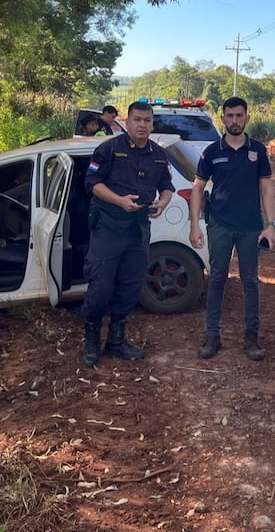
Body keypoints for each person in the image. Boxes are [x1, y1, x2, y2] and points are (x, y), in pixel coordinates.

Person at [80, 101, 175, 367]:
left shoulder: (158, 154)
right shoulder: (108, 148)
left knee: (131, 285)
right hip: (108, 226)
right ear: (127, 121)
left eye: (147, 120)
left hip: (138, 229)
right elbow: (92, 184)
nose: (142, 125)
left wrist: (164, 201)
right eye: (137, 120)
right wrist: (119, 200)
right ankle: (91, 342)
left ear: (152, 124)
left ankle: (116, 341)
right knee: (100, 286)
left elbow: (167, 186)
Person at [189, 97, 275, 361]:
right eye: (230, 116)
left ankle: (251, 338)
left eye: (240, 115)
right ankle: (212, 337)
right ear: (223, 119)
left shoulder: (258, 151)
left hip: (251, 227)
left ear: (247, 118)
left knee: (250, 281)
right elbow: (197, 187)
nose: (235, 120)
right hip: (220, 225)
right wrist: (195, 225)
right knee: (216, 280)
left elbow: (266, 188)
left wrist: (271, 225)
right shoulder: (211, 152)